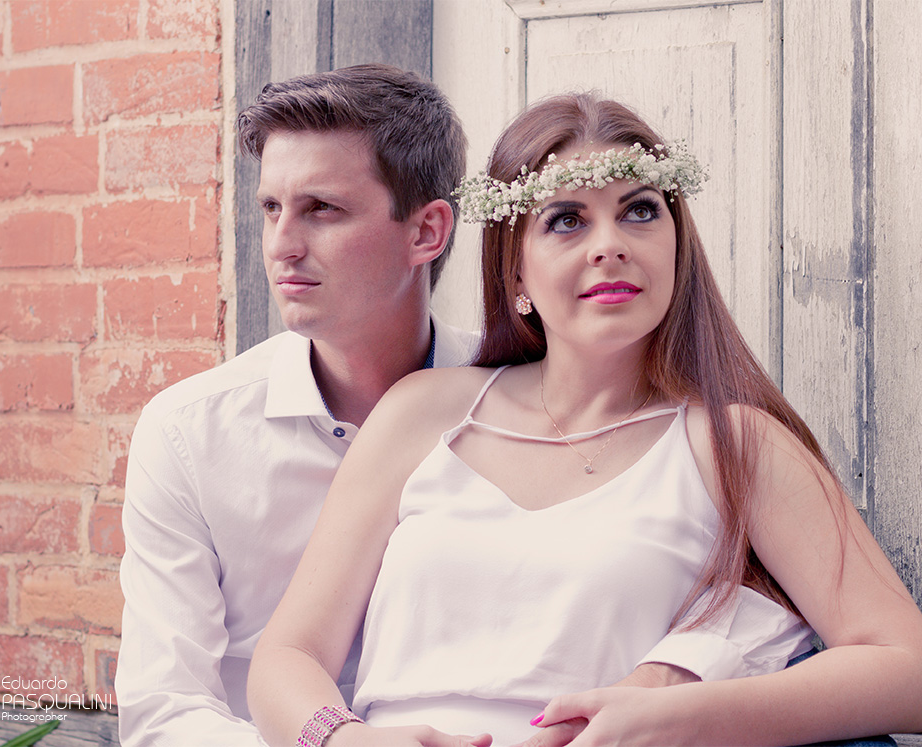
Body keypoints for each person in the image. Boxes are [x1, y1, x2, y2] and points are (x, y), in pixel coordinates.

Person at [115, 67, 800, 746]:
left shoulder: (529, 400)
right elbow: (165, 709)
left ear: (428, 232)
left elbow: (758, 591)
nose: (281, 245)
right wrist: (334, 740)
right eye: (270, 208)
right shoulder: (189, 434)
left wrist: (682, 670)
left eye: (322, 208)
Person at [246, 92, 922, 747]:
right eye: (566, 220)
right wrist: (345, 738)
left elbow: (916, 677)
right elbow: (287, 654)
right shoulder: (424, 412)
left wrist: (676, 717)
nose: (609, 242)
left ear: (677, 241)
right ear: (515, 275)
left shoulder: (733, 443)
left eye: (640, 210)